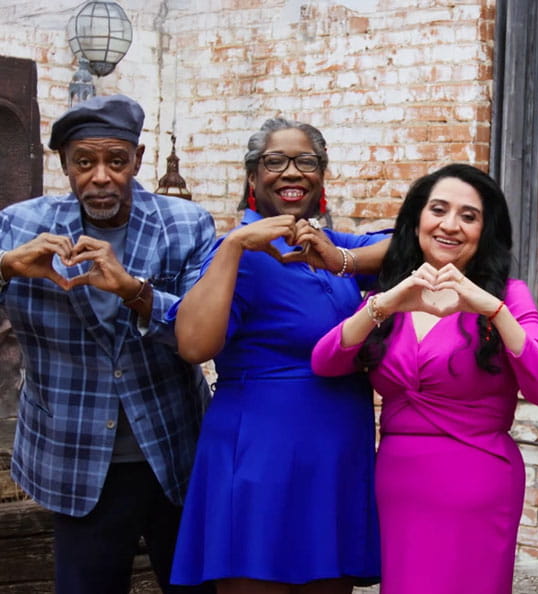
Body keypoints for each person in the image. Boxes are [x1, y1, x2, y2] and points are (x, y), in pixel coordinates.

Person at [311, 163, 538, 594]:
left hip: (478, 480)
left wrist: (492, 309)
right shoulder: (389, 295)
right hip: (399, 481)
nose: (451, 225)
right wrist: (384, 304)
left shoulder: (507, 295)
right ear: (417, 220)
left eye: (469, 216)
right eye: (439, 210)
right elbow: (325, 362)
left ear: (486, 230)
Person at [0, 94, 215, 593]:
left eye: (116, 161)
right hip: (73, 457)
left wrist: (135, 291)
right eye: (85, 162)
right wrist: (6, 266)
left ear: (137, 160)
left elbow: (200, 334)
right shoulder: (20, 225)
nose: (101, 176)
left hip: (174, 450)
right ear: (65, 166)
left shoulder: (186, 225)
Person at [169, 117, 388, 594]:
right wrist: (235, 245)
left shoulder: (324, 243)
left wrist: (340, 259)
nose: (292, 172)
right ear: (252, 178)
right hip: (261, 457)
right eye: (275, 162)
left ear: (322, 177)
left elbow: (415, 246)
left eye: (305, 162)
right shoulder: (240, 254)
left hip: (333, 458)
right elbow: (193, 345)